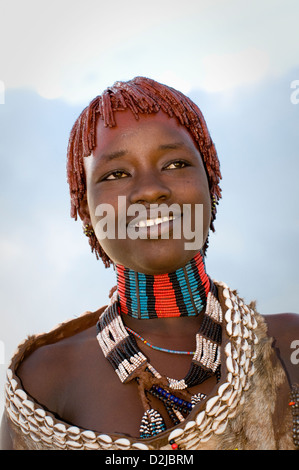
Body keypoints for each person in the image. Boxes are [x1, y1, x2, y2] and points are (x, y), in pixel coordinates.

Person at [1, 77, 298, 451]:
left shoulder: (286, 348)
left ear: (211, 183)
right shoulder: (45, 381)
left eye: (175, 163)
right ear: (85, 211)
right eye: (116, 174)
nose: (149, 190)